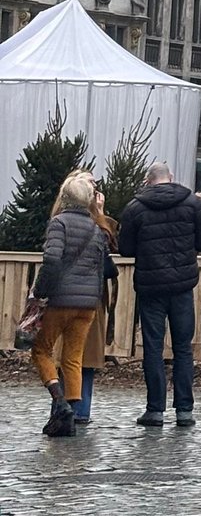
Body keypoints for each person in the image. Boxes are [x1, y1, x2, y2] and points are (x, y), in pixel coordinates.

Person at [117, 161, 201, 429]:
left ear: (148, 180)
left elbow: (126, 249)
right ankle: (184, 410)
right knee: (183, 347)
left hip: (151, 286)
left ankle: (155, 409)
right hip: (182, 285)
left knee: (153, 346)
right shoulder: (192, 204)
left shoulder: (135, 208)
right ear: (171, 177)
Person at [31, 171, 116, 438]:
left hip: (61, 299)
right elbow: (100, 267)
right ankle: (70, 414)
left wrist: (40, 292)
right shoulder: (96, 228)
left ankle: (60, 402)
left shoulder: (59, 223)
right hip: (88, 304)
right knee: (74, 357)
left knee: (41, 350)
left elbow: (52, 260)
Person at [76, 180, 119, 426]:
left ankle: (66, 409)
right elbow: (105, 244)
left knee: (74, 355)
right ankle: (79, 410)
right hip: (88, 294)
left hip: (72, 294)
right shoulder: (93, 226)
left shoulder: (60, 221)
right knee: (82, 357)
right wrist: (101, 214)